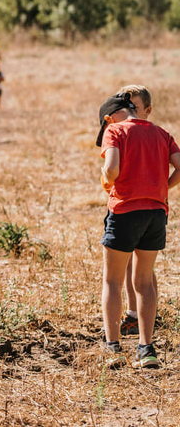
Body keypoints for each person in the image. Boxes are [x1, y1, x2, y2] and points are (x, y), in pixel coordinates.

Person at [97, 92, 180, 369]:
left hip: (124, 211)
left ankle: (114, 348)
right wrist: (160, 189)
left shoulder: (115, 131)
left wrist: (107, 180)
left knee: (112, 281)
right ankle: (146, 350)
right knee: (144, 282)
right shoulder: (162, 132)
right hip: (156, 212)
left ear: (115, 115)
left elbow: (111, 169)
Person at [115, 85, 157, 336]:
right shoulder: (122, 133)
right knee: (134, 264)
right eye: (125, 107)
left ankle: (138, 314)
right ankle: (138, 313)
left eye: (135, 108)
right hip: (131, 205)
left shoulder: (153, 135)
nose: (128, 113)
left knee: (142, 269)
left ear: (148, 110)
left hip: (141, 208)